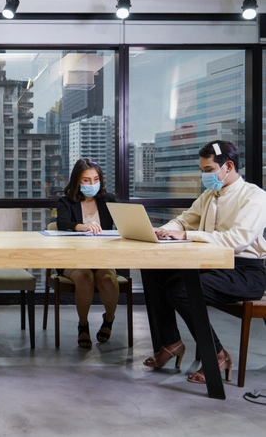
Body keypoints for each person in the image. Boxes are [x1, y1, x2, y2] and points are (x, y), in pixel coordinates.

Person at [141, 140, 266, 383]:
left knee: (182, 290)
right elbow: (183, 220)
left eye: (209, 171)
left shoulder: (255, 197)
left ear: (228, 166)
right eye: (202, 171)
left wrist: (188, 235)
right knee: (154, 271)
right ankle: (171, 342)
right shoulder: (210, 196)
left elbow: (238, 240)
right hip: (211, 267)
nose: (204, 176)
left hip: (244, 273)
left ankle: (218, 355)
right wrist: (163, 230)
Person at [56, 158, 120, 348]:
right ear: (77, 180)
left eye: (95, 179)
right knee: (84, 277)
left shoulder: (108, 201)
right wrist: (82, 227)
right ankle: (83, 324)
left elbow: (123, 223)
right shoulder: (66, 201)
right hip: (74, 259)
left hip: (101, 258)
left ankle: (108, 319)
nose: (92, 184)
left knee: (107, 278)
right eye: (86, 180)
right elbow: (62, 223)